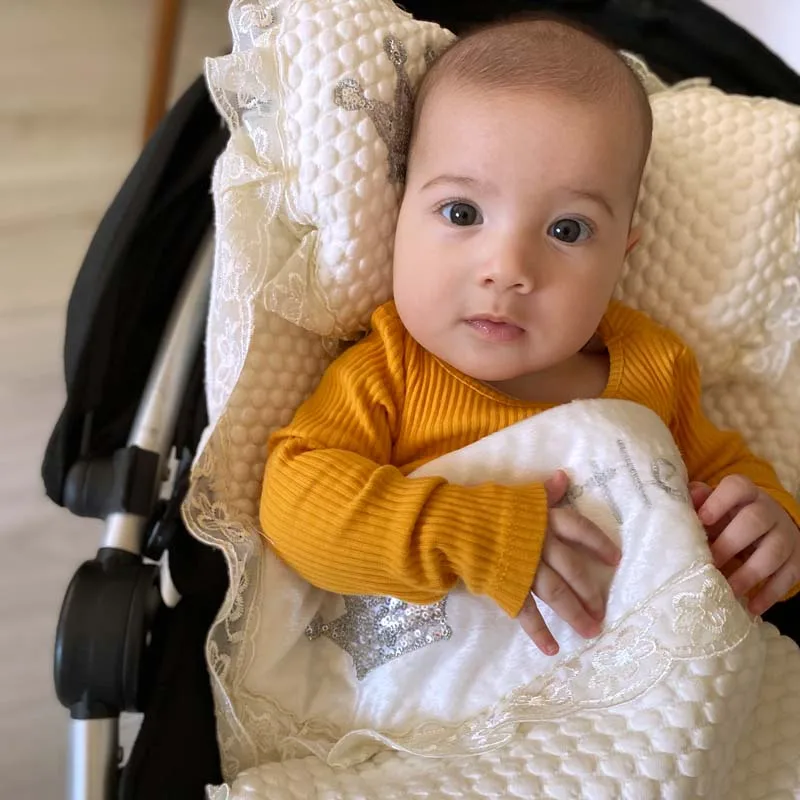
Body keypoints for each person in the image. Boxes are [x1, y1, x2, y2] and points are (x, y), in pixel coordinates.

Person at [261, 16, 800, 657]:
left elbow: (724, 476)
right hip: (441, 712)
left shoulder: (655, 369)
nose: (509, 270)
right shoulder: (391, 373)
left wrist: (769, 524)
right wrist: (475, 535)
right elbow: (297, 504)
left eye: (567, 231)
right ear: (399, 214)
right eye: (462, 213)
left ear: (622, 257)